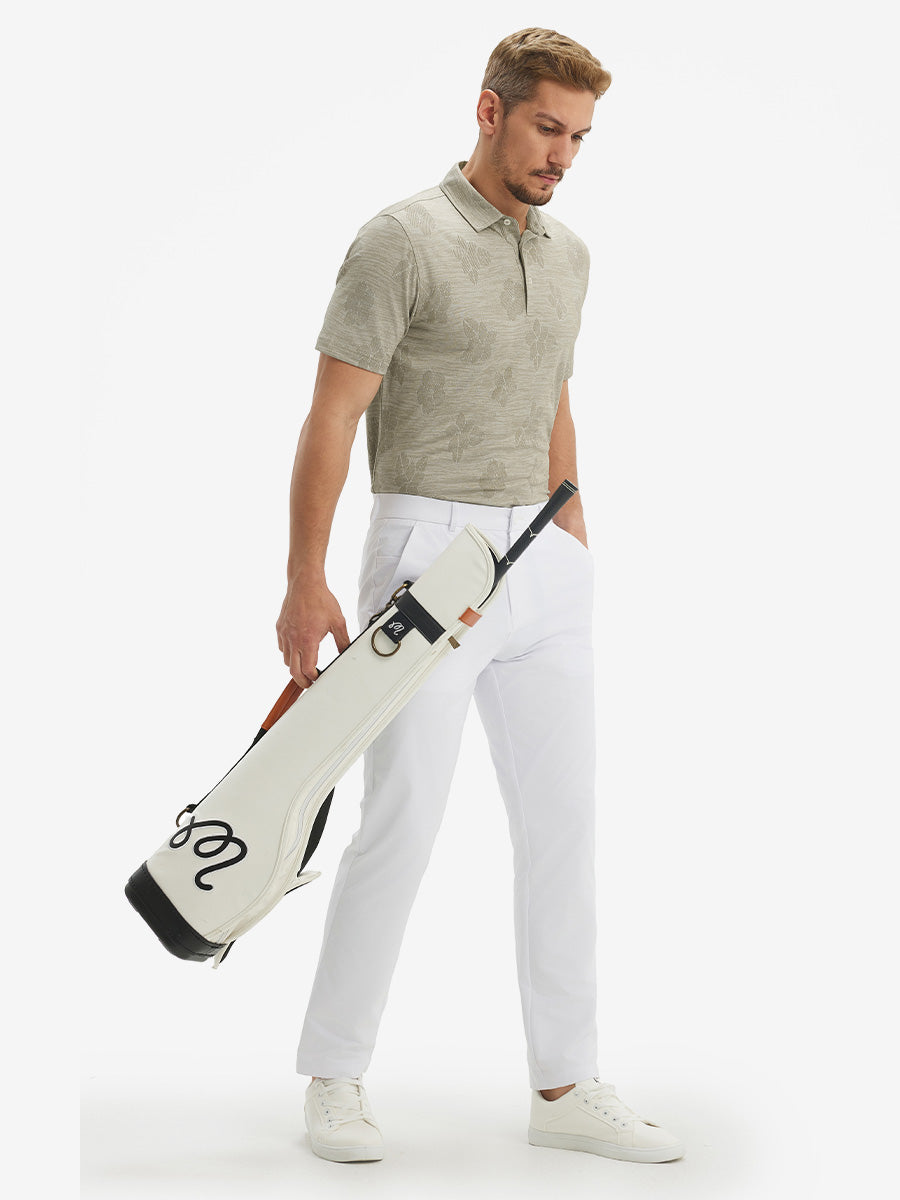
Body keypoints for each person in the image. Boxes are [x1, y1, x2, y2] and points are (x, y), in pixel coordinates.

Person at [275, 27, 684, 1166]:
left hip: (543, 559)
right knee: (402, 819)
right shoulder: (400, 239)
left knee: (564, 826)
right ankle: (334, 1077)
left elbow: (553, 396)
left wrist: (575, 533)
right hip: (428, 550)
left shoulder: (570, 255)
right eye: (549, 127)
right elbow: (333, 415)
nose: (563, 155)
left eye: (581, 137)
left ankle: (567, 1084)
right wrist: (305, 578)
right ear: (490, 110)